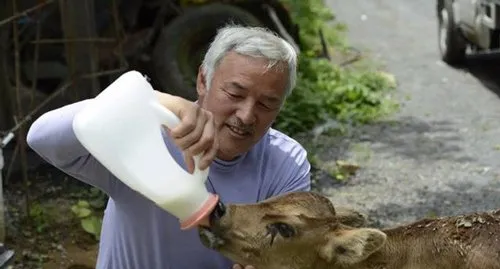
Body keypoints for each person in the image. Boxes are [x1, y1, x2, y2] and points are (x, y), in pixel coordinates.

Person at [26, 25, 311, 269]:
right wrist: (152, 101)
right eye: (235, 93)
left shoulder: (285, 163)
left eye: (266, 104)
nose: (247, 115)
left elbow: (291, 250)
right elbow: (41, 137)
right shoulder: (145, 134)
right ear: (203, 80)